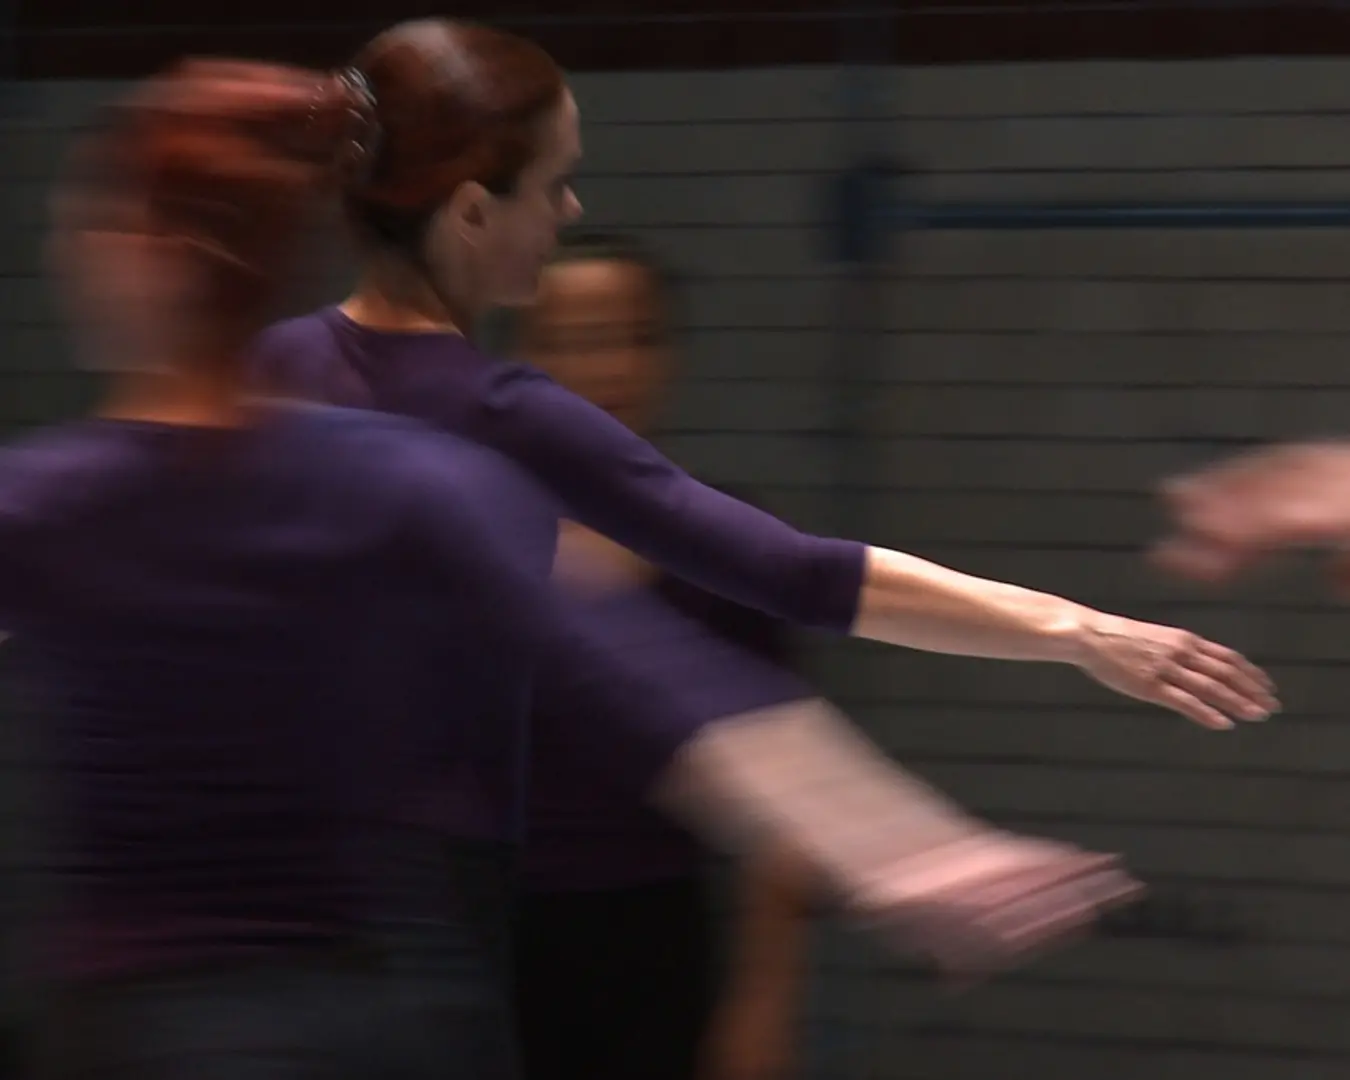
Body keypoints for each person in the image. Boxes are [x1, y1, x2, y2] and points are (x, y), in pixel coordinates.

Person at [14, 57, 1142, 1080]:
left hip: (150, 1022)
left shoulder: (56, 499)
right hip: (375, 1002)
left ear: (137, 260)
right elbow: (641, 663)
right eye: (556, 183)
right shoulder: (405, 476)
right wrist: (900, 842)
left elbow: (680, 637)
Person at [251, 16, 1276, 736]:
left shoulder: (261, 371)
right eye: (555, 185)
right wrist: (1076, 631)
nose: (567, 215)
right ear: (472, 212)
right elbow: (798, 574)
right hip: (417, 894)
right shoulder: (497, 409)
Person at [509, 234, 815, 1080]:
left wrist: (762, 1003)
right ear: (525, 361)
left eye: (631, 336)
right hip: (491, 938)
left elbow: (784, 803)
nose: (606, 367)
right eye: (572, 339)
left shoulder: (729, 544)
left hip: (657, 938)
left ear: (665, 355)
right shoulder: (466, 531)